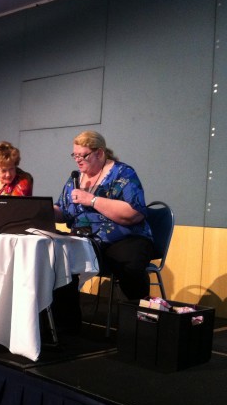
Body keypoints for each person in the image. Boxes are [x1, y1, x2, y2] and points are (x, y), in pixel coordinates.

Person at [53, 130, 154, 332]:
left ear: (99, 153)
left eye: (83, 155)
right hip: (87, 240)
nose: (78, 161)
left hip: (124, 237)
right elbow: (64, 211)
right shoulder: (75, 179)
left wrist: (91, 200)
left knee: (128, 262)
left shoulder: (122, 174)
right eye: (75, 155)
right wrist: (45, 211)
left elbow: (134, 213)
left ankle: (142, 322)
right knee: (57, 257)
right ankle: (67, 325)